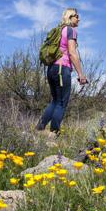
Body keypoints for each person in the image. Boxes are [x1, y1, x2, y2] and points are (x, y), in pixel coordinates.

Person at [37, 7, 89, 135]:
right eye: (76, 16)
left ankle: (39, 129)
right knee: (61, 102)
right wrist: (81, 74)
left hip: (51, 69)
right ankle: (54, 133)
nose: (79, 19)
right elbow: (72, 53)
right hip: (62, 68)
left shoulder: (58, 31)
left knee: (55, 101)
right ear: (70, 17)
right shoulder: (71, 30)